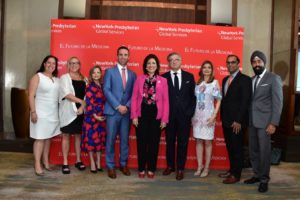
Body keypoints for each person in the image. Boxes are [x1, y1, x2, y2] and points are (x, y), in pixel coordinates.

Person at [244, 50, 283, 193]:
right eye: (254, 62)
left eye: (259, 61)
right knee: (253, 151)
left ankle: (264, 180)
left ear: (264, 62)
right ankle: (257, 174)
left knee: (264, 152)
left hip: (266, 123)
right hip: (252, 122)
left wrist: (273, 123)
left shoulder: (273, 78)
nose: (256, 64)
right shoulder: (252, 79)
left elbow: (278, 103)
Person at [131, 54, 169, 178]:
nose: (151, 65)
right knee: (141, 142)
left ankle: (151, 168)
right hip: (141, 113)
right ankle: (141, 168)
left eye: (153, 63)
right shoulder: (139, 79)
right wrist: (134, 116)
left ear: (157, 66)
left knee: (154, 143)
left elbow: (165, 101)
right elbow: (134, 98)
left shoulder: (163, 81)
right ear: (145, 66)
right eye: (148, 63)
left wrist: (164, 119)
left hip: (156, 115)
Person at [103, 46, 136, 179]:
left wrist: (126, 106)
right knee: (110, 140)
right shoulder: (109, 71)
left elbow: (134, 93)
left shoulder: (133, 74)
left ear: (129, 57)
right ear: (117, 56)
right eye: (121, 54)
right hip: (113, 112)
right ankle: (110, 166)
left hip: (126, 113)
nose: (123, 57)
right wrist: (118, 106)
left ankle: (123, 164)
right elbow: (106, 90)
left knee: (124, 140)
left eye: (125, 55)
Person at [162, 52, 196, 180]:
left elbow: (193, 98)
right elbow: (161, 99)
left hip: (184, 117)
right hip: (169, 117)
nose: (174, 62)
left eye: (176, 59)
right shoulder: (163, 77)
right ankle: (170, 166)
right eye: (171, 60)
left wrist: (189, 113)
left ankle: (180, 168)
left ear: (181, 61)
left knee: (183, 143)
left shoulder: (189, 76)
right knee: (169, 141)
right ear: (168, 63)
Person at [219, 54, 252, 184]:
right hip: (226, 121)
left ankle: (236, 175)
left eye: (233, 62)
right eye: (228, 62)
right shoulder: (225, 79)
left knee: (237, 148)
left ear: (238, 64)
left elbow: (245, 102)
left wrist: (238, 120)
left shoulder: (245, 80)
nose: (230, 65)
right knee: (230, 147)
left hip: (237, 122)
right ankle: (232, 170)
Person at [28, 55, 61, 176]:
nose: (51, 65)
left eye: (54, 63)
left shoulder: (57, 79)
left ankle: (46, 162)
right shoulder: (37, 77)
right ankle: (37, 164)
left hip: (53, 113)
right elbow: (31, 95)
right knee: (40, 139)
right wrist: (33, 112)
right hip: (40, 113)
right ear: (44, 63)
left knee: (48, 138)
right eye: (49, 62)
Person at [192, 60, 222, 178]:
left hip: (209, 117)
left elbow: (219, 99)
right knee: (198, 141)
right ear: (201, 69)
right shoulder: (197, 83)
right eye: (204, 67)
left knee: (208, 142)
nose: (206, 69)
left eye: (209, 67)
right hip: (197, 117)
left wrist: (214, 115)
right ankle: (199, 167)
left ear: (212, 70)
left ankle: (206, 168)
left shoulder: (214, 83)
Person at [59, 56, 87, 174]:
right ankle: (65, 162)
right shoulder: (64, 78)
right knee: (65, 135)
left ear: (79, 65)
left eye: (76, 63)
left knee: (78, 136)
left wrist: (82, 107)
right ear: (68, 65)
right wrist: (81, 102)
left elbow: (87, 95)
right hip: (68, 112)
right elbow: (66, 94)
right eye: (71, 63)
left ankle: (78, 160)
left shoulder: (84, 78)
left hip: (80, 112)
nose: (74, 65)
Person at [81, 65, 106, 173]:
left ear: (101, 74)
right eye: (94, 73)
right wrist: (95, 116)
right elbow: (89, 102)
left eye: (98, 72)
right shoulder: (89, 86)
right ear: (91, 75)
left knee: (99, 141)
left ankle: (99, 162)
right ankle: (92, 162)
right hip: (92, 118)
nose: (96, 74)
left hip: (102, 117)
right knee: (91, 141)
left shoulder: (103, 86)